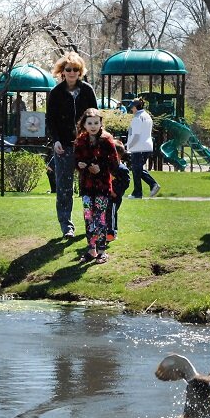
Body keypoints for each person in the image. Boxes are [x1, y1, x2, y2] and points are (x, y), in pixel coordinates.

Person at [46, 51, 98, 239]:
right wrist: (56, 140)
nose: (72, 73)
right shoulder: (56, 93)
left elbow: (96, 117)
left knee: (89, 185)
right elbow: (50, 120)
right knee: (64, 188)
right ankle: (66, 225)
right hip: (64, 146)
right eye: (69, 69)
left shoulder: (87, 90)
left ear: (80, 71)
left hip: (85, 145)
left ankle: (91, 223)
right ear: (62, 71)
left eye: (76, 69)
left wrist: (94, 140)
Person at [74, 108, 119, 265]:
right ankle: (91, 250)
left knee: (99, 218)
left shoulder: (107, 140)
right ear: (84, 125)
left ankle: (101, 251)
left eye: (96, 123)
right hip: (87, 186)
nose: (93, 126)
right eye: (90, 123)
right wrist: (80, 165)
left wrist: (100, 167)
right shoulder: (80, 140)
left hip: (102, 186)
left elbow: (115, 163)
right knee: (88, 217)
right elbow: (75, 160)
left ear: (101, 124)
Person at [126, 97, 160, 199]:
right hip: (147, 146)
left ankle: (139, 192)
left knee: (136, 170)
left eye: (132, 107)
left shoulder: (137, 118)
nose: (131, 109)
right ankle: (147, 188)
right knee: (138, 169)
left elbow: (135, 135)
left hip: (138, 147)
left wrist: (129, 146)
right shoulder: (147, 116)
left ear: (136, 107)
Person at [107, 140, 130, 243]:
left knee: (111, 212)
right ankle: (106, 231)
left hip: (115, 197)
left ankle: (111, 233)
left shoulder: (122, 169)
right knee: (107, 213)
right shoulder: (107, 167)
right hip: (106, 195)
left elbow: (126, 183)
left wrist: (116, 192)